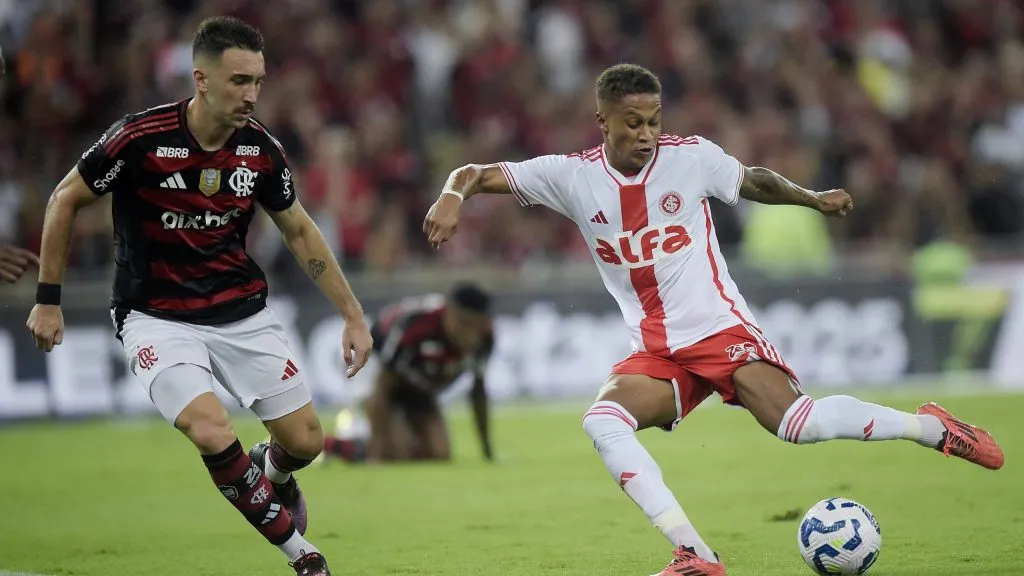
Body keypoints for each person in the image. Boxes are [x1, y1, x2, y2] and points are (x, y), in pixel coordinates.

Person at [422, 63, 1004, 576]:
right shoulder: (571, 176)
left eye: (653, 120)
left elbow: (752, 180)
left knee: (799, 425)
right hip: (655, 351)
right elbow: (474, 172)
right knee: (602, 422)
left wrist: (811, 198)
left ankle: (932, 429)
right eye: (632, 122)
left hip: (718, 330)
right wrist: (452, 195)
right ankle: (695, 555)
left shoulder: (691, 158)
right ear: (603, 121)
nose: (646, 133)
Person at [24, 17, 372, 576]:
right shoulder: (138, 139)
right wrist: (47, 298)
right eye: (239, 81)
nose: (251, 95)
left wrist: (352, 315)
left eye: (258, 81)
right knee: (210, 428)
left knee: (306, 442)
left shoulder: (260, 149)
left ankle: (272, 472)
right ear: (201, 79)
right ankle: (303, 556)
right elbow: (64, 199)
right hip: (154, 316)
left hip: (240, 311)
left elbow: (300, 230)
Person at [322, 282, 495, 464]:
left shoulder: (485, 338)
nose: (469, 335)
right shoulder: (417, 325)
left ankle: (386, 445)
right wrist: (376, 453)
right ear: (448, 311)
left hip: (419, 385)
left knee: (439, 454)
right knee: (397, 450)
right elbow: (383, 386)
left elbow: (478, 391)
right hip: (377, 372)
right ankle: (338, 445)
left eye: (475, 327)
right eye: (463, 324)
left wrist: (487, 449)